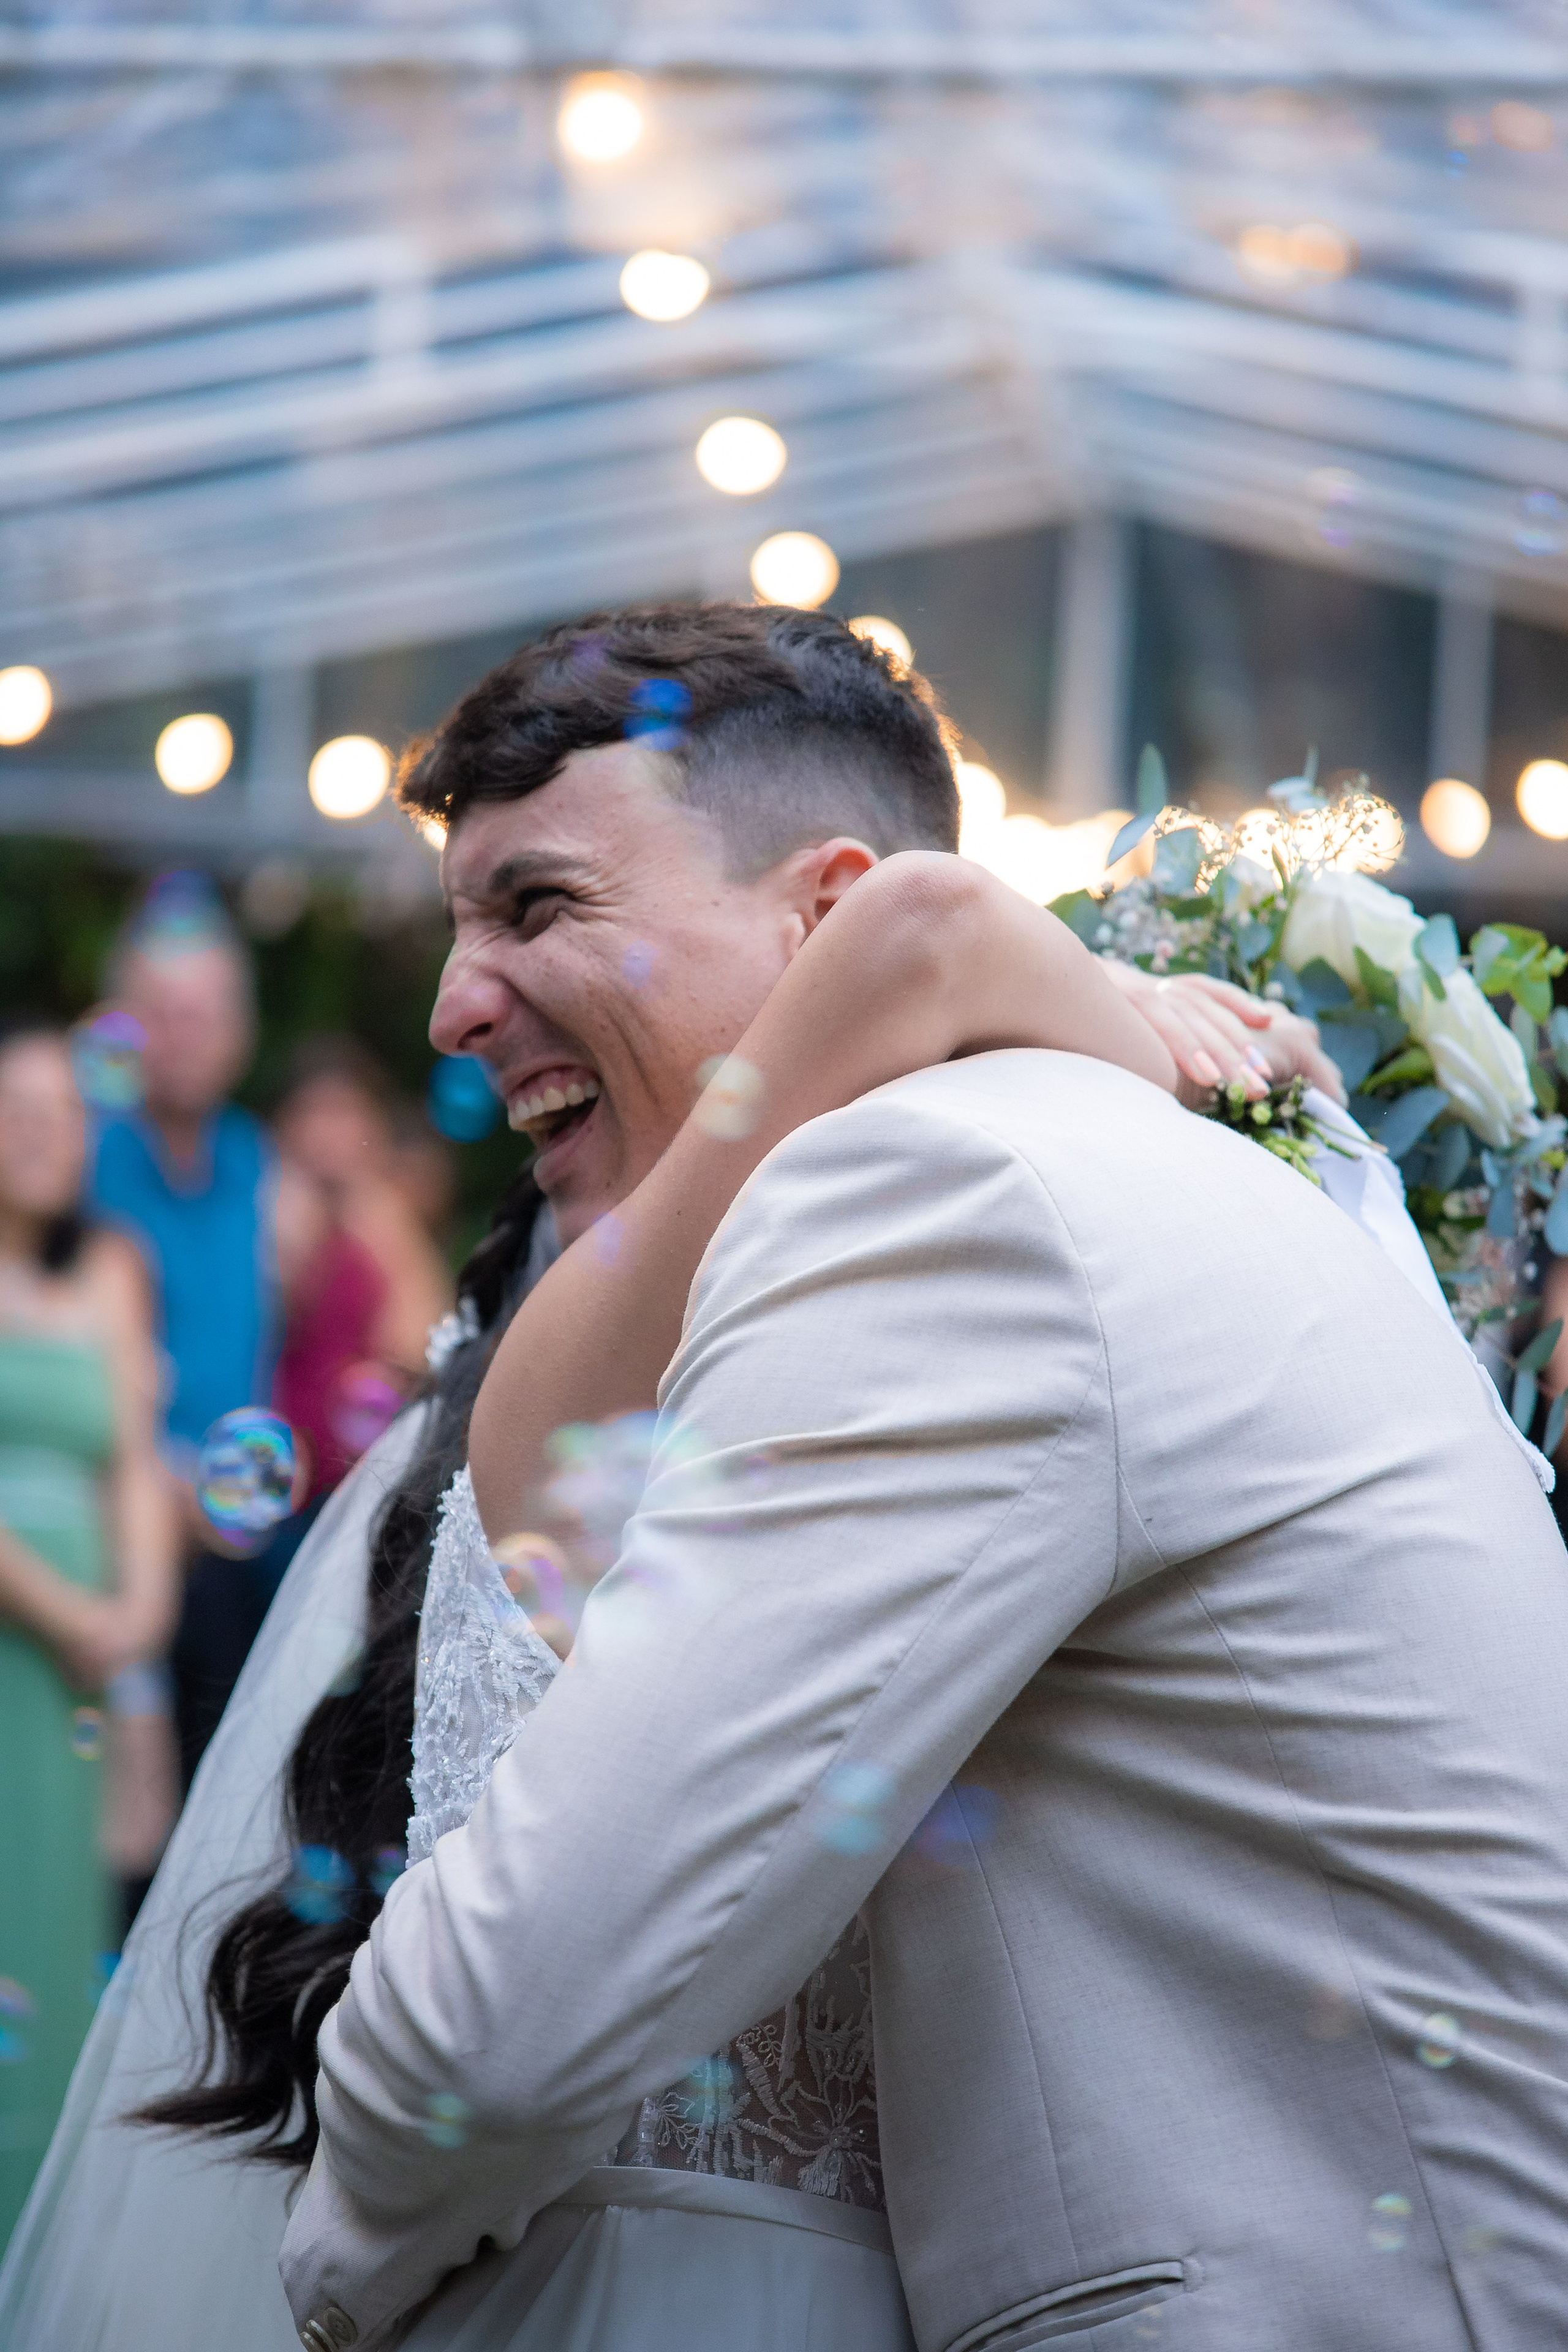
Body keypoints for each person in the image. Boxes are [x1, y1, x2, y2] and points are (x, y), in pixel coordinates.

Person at [0, 609, 1520, 2350]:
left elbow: (500, 2040)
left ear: (823, 907)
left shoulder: (950, 1215)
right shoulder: (622, 1328)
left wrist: (341, 2271)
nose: (449, 1006)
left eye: (539, 905)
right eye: (457, 923)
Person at [0, 1022, 177, 2242]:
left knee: (63, 1939)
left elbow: (132, 1467)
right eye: (16, 1110)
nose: (41, 1132)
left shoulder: (112, 1266)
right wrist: (65, 1614)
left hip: (79, 1669)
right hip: (24, 1636)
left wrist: (140, 1614)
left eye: (63, 1112)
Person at [90, 876, 301, 1784]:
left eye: (207, 1013)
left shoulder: (258, 1162)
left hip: (233, 1533)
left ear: (242, 1031)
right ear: (126, 1027)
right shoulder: (82, 1156)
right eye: (164, 1012)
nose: (187, 1034)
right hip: (112, 1527)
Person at [271, 1039, 454, 1503]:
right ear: (284, 1127)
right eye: (313, 1113)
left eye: (344, 1113)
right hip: (275, 1472)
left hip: (362, 1484)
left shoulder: (388, 1223)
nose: (328, 1133)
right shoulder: (263, 1210)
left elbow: (419, 1345)